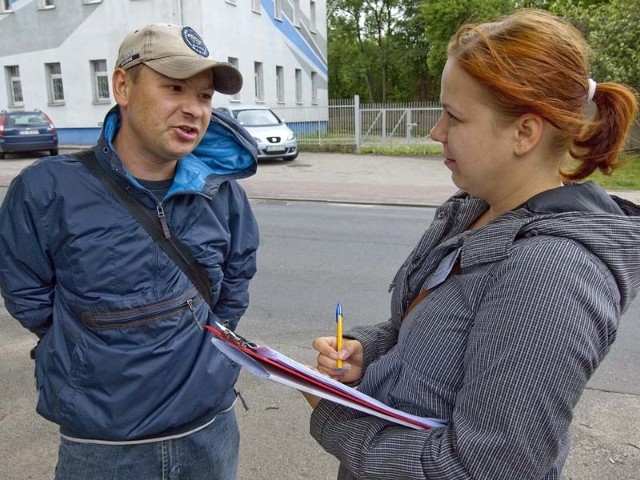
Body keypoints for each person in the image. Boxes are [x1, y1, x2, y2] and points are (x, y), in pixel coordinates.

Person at [305, 9, 640, 480]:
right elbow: (432, 335)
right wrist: (369, 350)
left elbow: (485, 469)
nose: (435, 131)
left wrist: (336, 415)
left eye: (453, 116)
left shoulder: (554, 274)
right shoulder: (473, 211)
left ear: (525, 132)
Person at [0, 23, 259, 479]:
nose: (193, 110)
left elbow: (234, 284)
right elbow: (28, 295)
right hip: (102, 446)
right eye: (174, 87)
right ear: (123, 85)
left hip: (209, 431)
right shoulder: (47, 190)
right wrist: (85, 352)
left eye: (203, 96)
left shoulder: (222, 193)